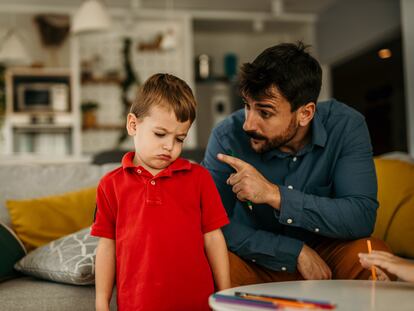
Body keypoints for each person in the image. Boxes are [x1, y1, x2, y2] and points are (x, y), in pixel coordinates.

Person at [201, 42, 395, 287]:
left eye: (265, 112)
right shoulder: (226, 137)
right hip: (256, 259)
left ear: (305, 113)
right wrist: (293, 252)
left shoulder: (346, 126)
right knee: (204, 260)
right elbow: (209, 223)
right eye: (247, 105)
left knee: (372, 253)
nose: (248, 124)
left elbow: (361, 217)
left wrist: (275, 195)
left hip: (328, 257)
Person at [92, 73, 230, 311]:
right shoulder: (110, 185)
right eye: (160, 134)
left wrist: (226, 295)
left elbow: (213, 239)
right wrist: (101, 303)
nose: (170, 146)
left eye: (180, 139)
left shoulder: (199, 178)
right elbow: (107, 247)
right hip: (138, 304)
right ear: (133, 125)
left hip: (196, 303)